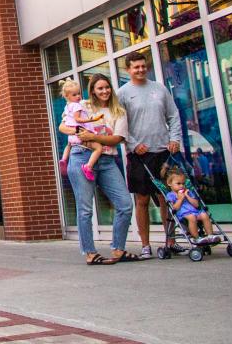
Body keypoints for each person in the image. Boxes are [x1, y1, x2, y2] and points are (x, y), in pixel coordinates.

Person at [60, 73, 136, 265]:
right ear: (92, 90)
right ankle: (90, 253)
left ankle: (118, 249)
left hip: (107, 160)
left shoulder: (118, 111)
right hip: (81, 157)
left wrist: (93, 138)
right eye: (100, 88)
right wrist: (79, 132)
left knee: (125, 204)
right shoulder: (82, 105)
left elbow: (117, 139)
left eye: (107, 87)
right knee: (85, 209)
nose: (104, 91)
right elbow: (63, 126)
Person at [117, 51, 184, 259]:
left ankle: (170, 241)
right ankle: (145, 245)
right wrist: (134, 144)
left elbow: (173, 116)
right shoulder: (123, 93)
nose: (140, 70)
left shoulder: (160, 88)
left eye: (143, 66)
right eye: (136, 67)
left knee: (167, 198)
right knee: (143, 200)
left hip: (163, 150)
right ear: (128, 70)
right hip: (139, 155)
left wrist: (175, 139)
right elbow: (120, 126)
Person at [58, 80, 110, 181]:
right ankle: (88, 166)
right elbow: (77, 119)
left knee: (68, 145)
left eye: (79, 93)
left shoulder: (67, 106)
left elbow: (65, 122)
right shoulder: (77, 106)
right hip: (81, 136)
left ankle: (64, 159)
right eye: (75, 95)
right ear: (67, 96)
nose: (78, 96)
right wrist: (91, 119)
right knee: (98, 148)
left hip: (73, 137)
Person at [162, 164, 218, 244]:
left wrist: (187, 196)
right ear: (169, 183)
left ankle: (210, 235)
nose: (182, 186)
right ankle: (196, 238)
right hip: (182, 213)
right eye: (178, 184)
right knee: (192, 218)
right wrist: (180, 199)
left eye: (183, 183)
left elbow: (197, 205)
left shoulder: (188, 192)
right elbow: (174, 208)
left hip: (195, 211)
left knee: (205, 215)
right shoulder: (171, 195)